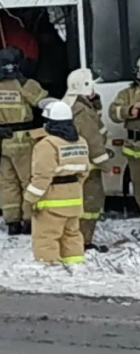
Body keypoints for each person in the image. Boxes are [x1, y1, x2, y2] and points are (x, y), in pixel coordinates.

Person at [0, 47, 53, 235]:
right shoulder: (25, 84)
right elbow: (46, 103)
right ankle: (29, 220)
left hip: (0, 143)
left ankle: (12, 222)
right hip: (23, 141)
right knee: (27, 181)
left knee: (7, 183)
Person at [24, 101, 89, 265]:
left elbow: (42, 177)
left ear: (50, 123)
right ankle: (75, 266)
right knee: (72, 235)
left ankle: (50, 268)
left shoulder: (47, 145)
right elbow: (85, 171)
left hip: (51, 200)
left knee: (46, 237)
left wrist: (29, 199)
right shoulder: (81, 141)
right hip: (74, 198)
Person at [62, 68, 110, 253]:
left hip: (76, 164)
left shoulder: (71, 103)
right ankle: (83, 241)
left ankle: (77, 240)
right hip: (88, 167)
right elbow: (93, 138)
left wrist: (95, 105)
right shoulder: (81, 111)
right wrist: (104, 163)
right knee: (91, 203)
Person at [108, 56, 140, 210]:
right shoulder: (127, 93)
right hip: (134, 150)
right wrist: (130, 110)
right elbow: (113, 113)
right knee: (138, 188)